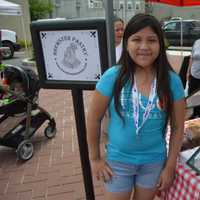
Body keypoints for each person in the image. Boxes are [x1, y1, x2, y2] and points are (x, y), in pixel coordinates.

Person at [87, 13, 185, 200]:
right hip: (118, 162)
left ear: (160, 44)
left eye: (152, 40)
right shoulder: (112, 77)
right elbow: (93, 118)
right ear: (126, 43)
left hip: (154, 162)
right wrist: (95, 158)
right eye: (136, 39)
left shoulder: (171, 81)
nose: (144, 47)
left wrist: (170, 166)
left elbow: (179, 127)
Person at [187, 39, 200, 119]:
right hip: (193, 74)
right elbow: (191, 58)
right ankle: (195, 113)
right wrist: (188, 72)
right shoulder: (197, 42)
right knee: (193, 95)